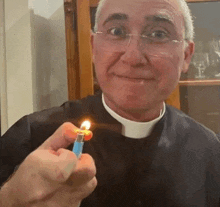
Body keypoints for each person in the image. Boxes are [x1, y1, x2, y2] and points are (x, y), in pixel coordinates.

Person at [0, 0, 220, 206]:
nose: (133, 57)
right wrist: (10, 198)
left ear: (186, 55)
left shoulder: (210, 150)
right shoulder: (31, 136)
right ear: (94, 47)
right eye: (117, 31)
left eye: (158, 34)